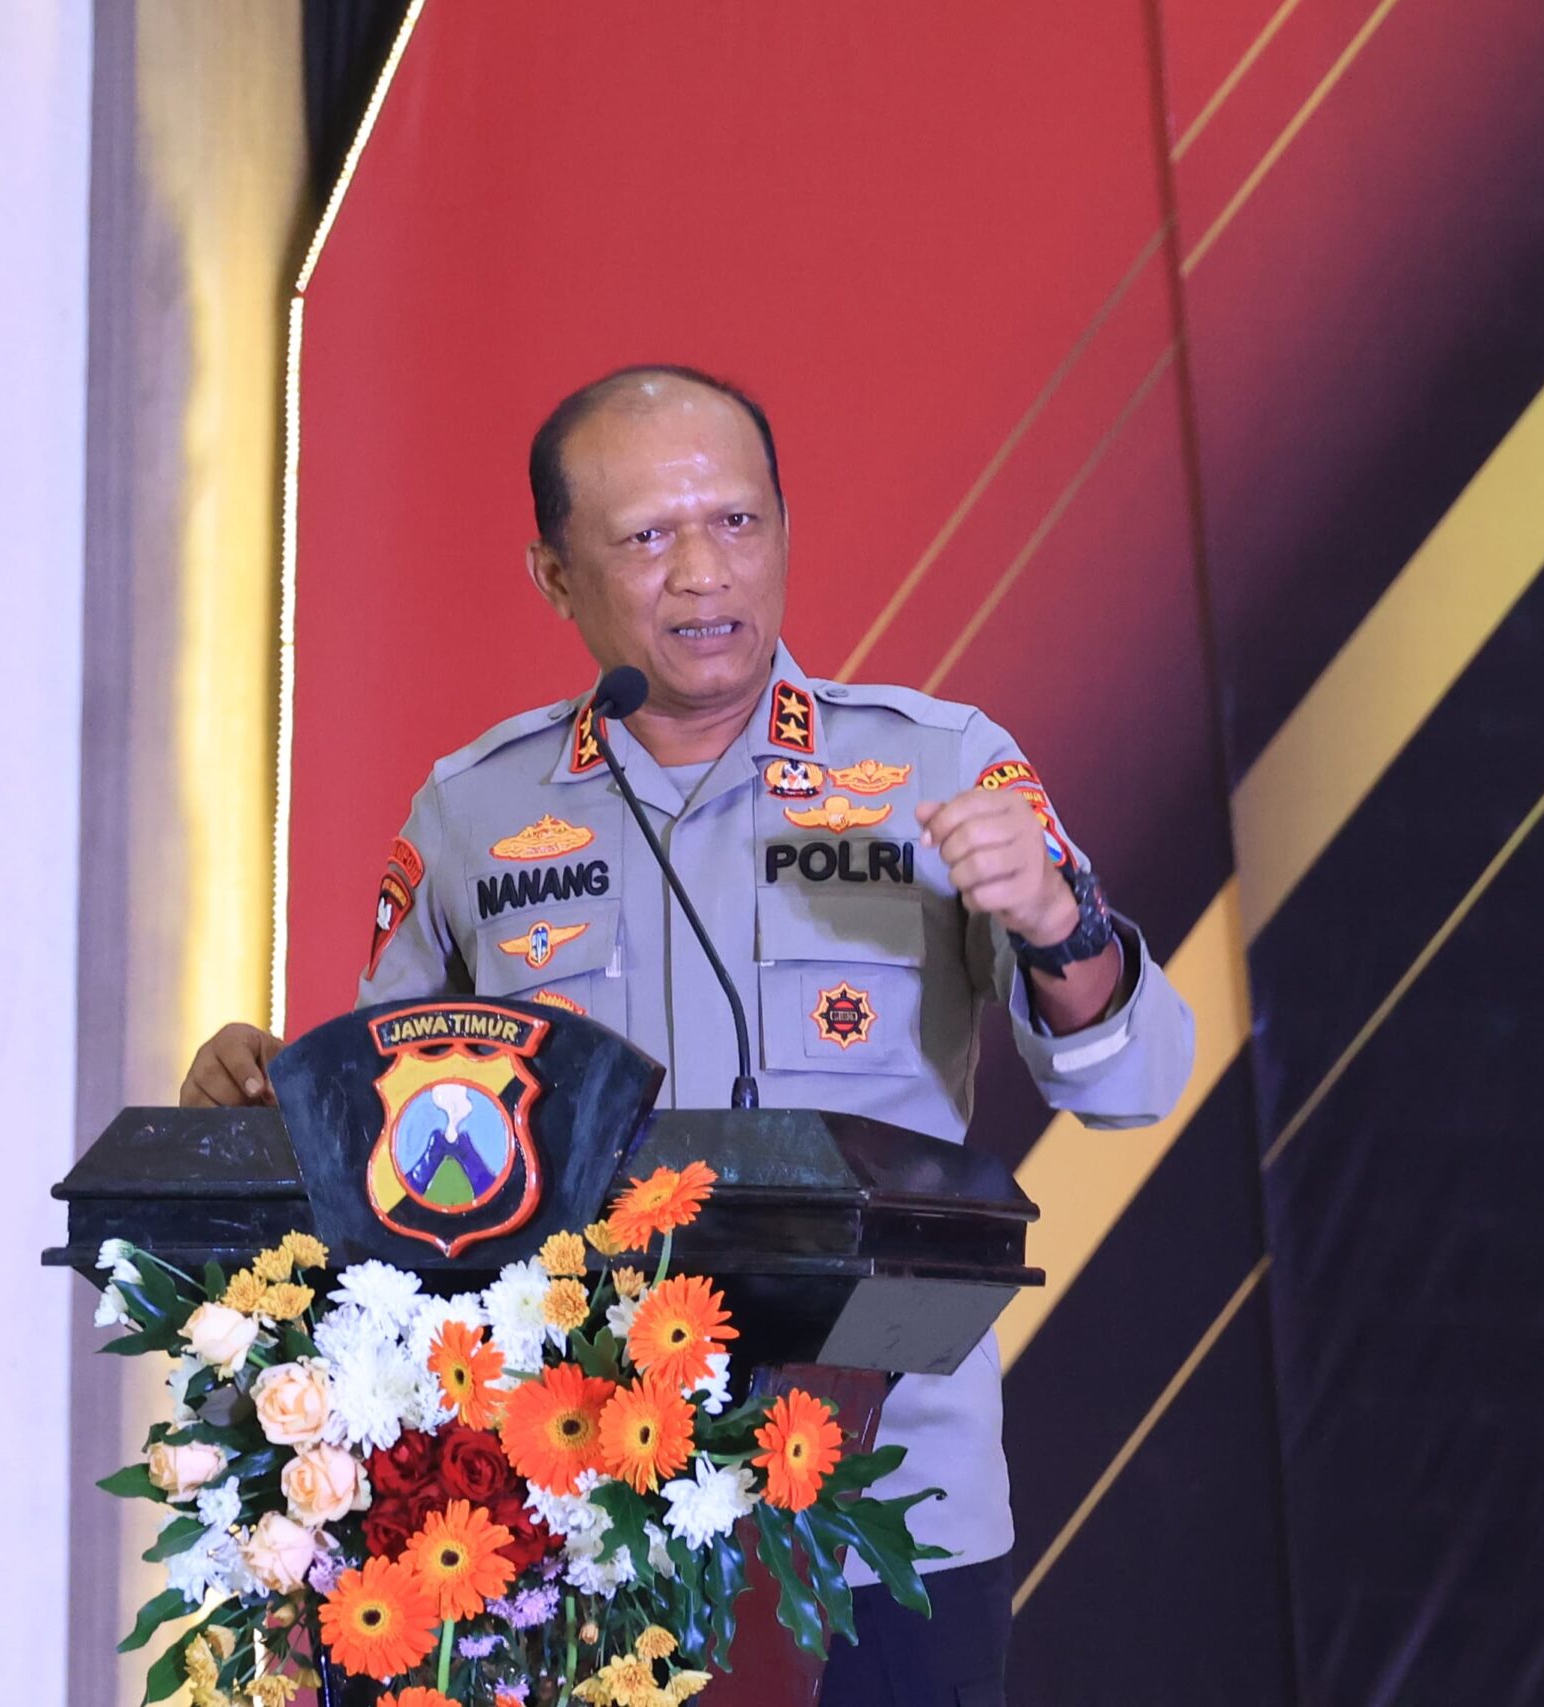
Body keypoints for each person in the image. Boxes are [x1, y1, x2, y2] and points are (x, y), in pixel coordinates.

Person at [183, 364, 1195, 1704]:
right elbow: (398, 1142)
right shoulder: (474, 813)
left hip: (885, 1511)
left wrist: (1063, 925)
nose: (704, 573)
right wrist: (265, 1097)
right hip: (569, 1515)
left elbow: (1139, 1081)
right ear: (556, 576)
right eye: (648, 536)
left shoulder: (940, 766)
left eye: (737, 522)